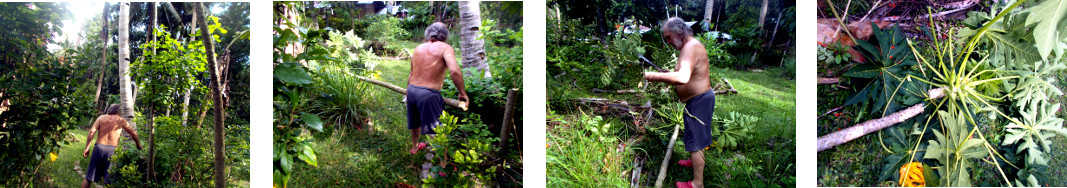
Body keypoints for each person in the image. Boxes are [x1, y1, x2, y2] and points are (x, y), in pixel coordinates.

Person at [643, 17, 714, 188]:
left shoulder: (690, 47)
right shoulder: (689, 46)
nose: (667, 42)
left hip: (699, 101)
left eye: (668, 37)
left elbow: (682, 77)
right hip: (698, 100)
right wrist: (668, 73)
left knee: (696, 142)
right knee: (693, 136)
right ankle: (693, 161)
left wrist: (651, 76)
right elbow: (686, 72)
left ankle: (697, 183)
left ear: (680, 32)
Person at [406, 22, 468, 154]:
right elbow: (455, 71)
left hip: (412, 89)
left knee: (415, 123)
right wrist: (462, 92)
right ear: (445, 35)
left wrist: (408, 92)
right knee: (436, 131)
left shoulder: (418, 48)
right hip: (428, 94)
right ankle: (443, 166)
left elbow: (411, 74)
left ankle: (414, 147)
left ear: (428, 33)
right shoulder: (446, 48)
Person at [81, 104, 143, 188]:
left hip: (98, 147)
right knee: (110, 180)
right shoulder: (121, 120)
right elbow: (133, 134)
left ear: (109, 110)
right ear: (118, 111)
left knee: (89, 177)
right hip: (112, 150)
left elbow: (92, 131)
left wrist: (87, 147)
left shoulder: (101, 118)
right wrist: (138, 145)